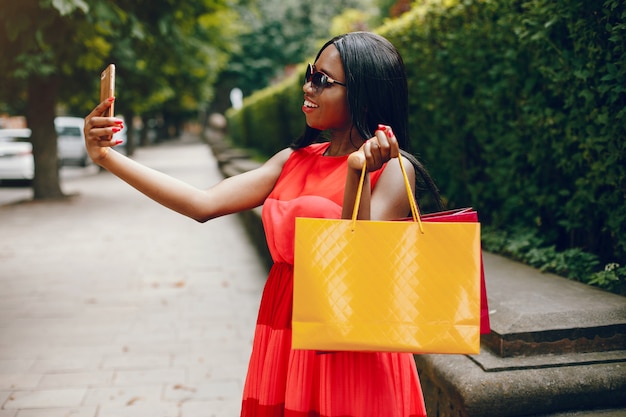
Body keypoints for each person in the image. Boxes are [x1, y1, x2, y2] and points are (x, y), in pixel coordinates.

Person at [84, 31, 441, 417]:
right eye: (310, 74)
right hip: (284, 326)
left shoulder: (393, 169)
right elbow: (202, 203)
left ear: (364, 95)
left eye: (323, 80)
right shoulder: (293, 159)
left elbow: (355, 264)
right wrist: (106, 158)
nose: (307, 87)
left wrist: (357, 172)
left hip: (349, 344)